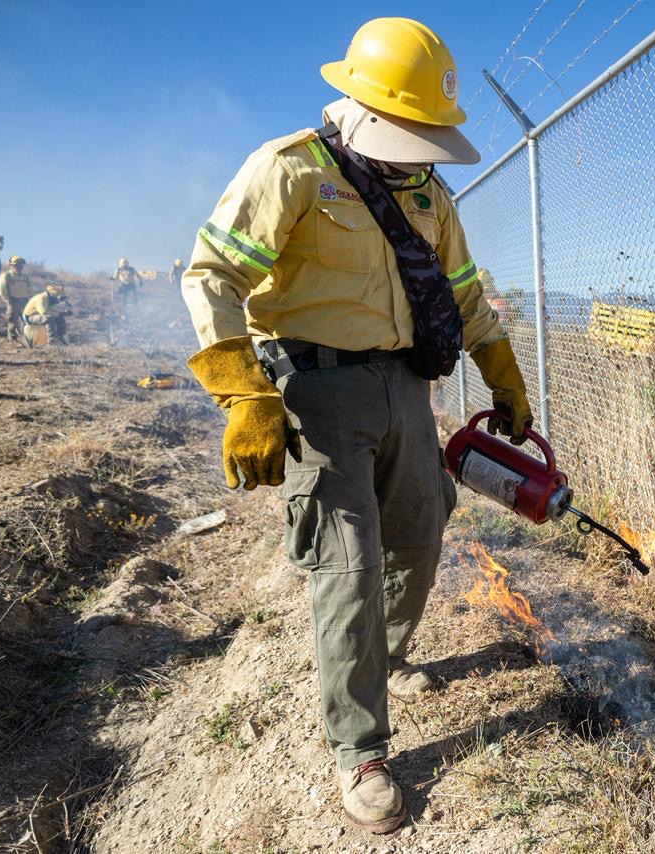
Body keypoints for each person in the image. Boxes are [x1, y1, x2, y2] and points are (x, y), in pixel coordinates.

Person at [181, 17, 531, 835]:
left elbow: (467, 295)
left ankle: (389, 655)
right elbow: (212, 275)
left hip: (406, 386)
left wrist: (504, 372)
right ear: (366, 107)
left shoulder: (428, 195)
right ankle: (360, 751)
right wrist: (244, 395)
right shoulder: (292, 169)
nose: (418, 150)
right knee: (349, 564)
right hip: (315, 389)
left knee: (420, 534)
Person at [0, 255, 36, 342]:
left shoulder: (25, 276)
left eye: (21, 265)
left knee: (27, 320)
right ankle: (13, 340)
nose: (20, 267)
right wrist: (7, 299)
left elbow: (30, 289)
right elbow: (1, 289)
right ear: (11, 265)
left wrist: (34, 300)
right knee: (12, 321)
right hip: (13, 300)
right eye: (17, 265)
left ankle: (27, 340)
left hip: (25, 301)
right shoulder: (6, 275)